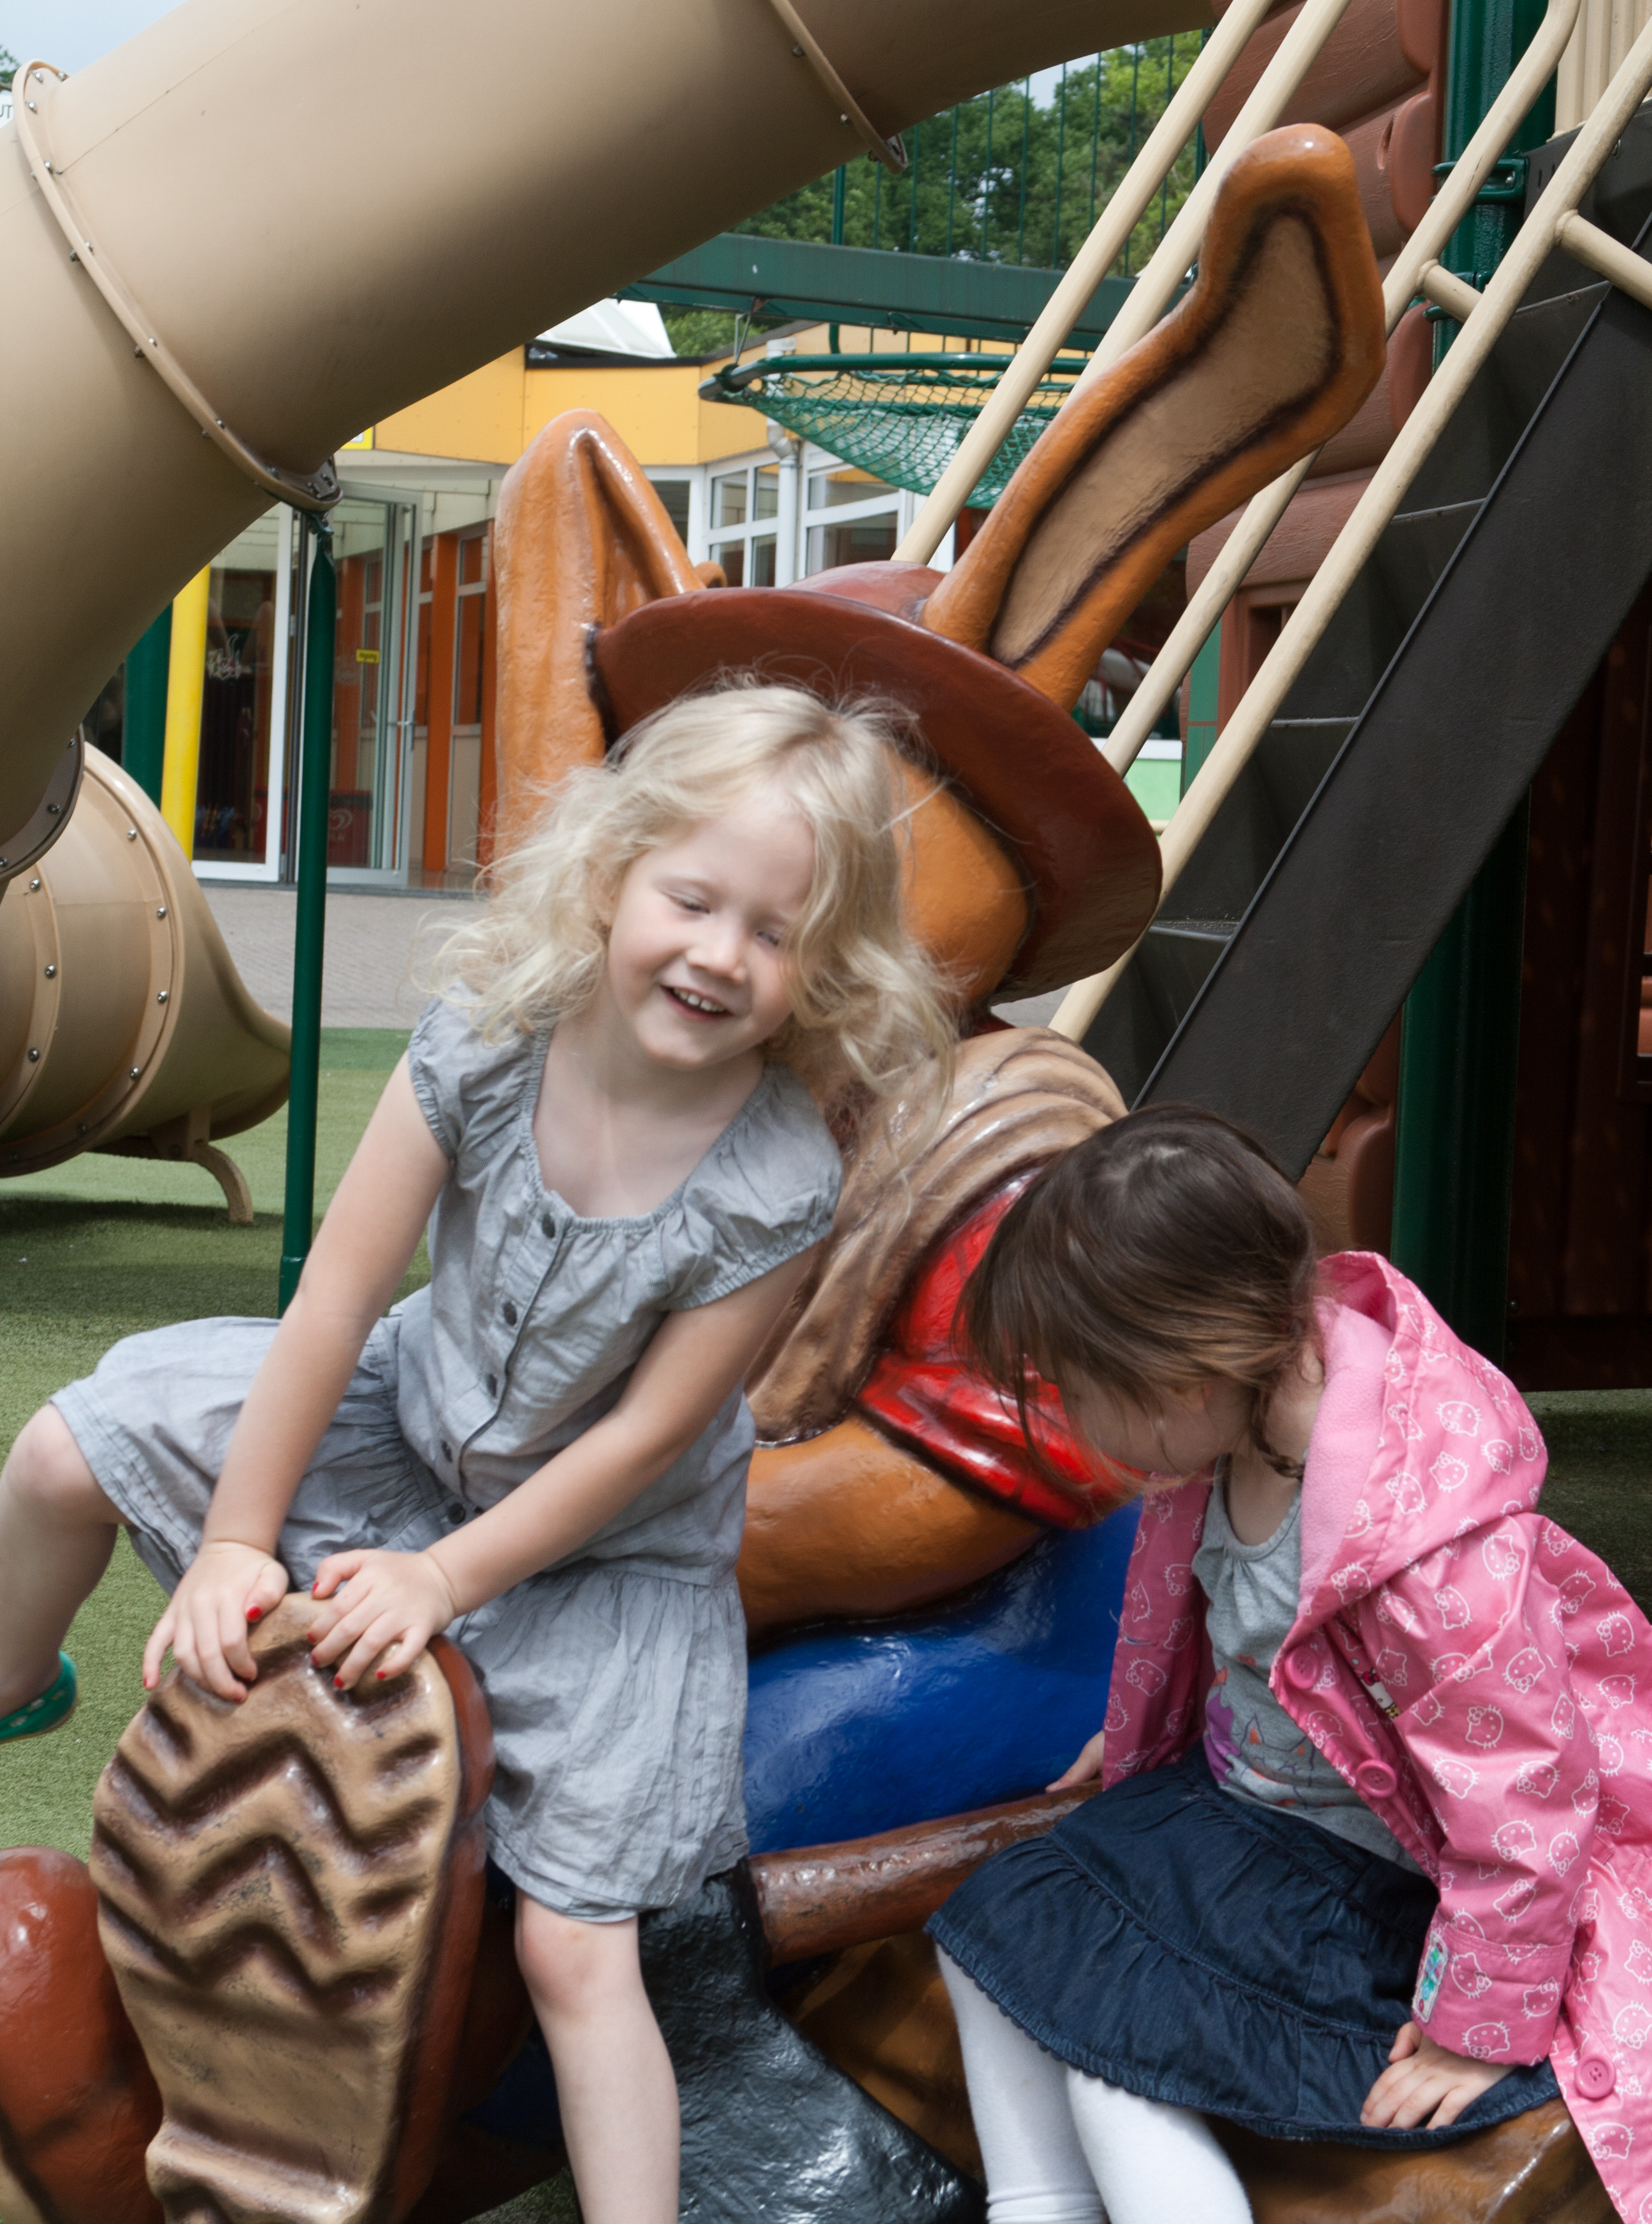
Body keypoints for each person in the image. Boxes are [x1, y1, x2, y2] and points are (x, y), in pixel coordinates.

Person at [0, 680, 954, 2224]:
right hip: (405, 1417)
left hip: (602, 1554)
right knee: (61, 1452)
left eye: (776, 934)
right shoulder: (492, 1041)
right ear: (612, 875)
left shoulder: (774, 1178)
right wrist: (240, 1535)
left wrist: (443, 1580)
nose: (721, 954)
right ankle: (9, 1681)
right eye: (692, 900)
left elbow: (645, 1443)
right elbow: (334, 1298)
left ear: (826, 968)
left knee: (579, 1949)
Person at [927, 1106, 1651, 2224]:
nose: (1070, 1421)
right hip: (1257, 1818)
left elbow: (1528, 1792)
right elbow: (1238, 1630)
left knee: (1119, 2059)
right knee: (990, 1937)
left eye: (1078, 1388)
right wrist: (1148, 1729)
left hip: (1375, 1888)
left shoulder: (1422, 1557)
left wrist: (1476, 2023)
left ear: (1183, 1373)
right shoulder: (1233, 1423)